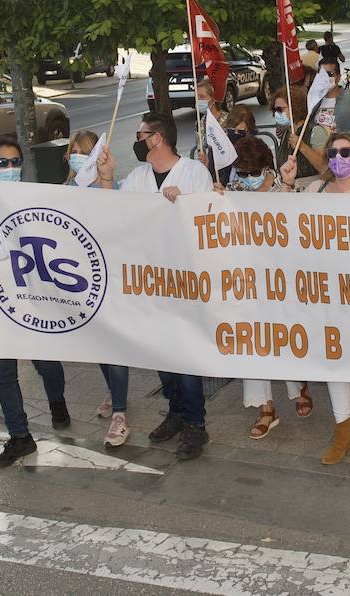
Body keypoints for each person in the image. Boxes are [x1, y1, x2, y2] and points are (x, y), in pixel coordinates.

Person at [96, 112, 214, 460]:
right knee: (162, 352)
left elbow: (209, 221)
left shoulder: (194, 173)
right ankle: (176, 412)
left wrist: (186, 206)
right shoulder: (138, 176)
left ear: (157, 137)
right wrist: (105, 179)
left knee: (185, 354)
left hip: (185, 279)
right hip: (150, 280)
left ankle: (196, 424)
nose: (137, 139)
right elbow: (116, 214)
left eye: (140, 134)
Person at [0, 137, 73, 467]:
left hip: (34, 301)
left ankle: (57, 401)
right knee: (4, 374)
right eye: (2, 163)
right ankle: (20, 437)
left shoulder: (33, 198)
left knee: (47, 362)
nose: (9, 168)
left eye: (14, 162)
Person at [279, 131, 350, 464]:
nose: (338, 158)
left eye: (345, 152)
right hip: (322, 294)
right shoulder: (314, 189)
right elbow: (279, 223)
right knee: (335, 358)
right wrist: (286, 185)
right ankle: (344, 431)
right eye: (332, 153)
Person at [218, 137, 313, 438]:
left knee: (285, 336)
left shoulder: (285, 187)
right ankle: (265, 407)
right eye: (240, 174)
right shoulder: (233, 193)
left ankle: (297, 388)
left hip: (283, 281)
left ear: (266, 166)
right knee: (254, 341)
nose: (246, 179)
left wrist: (286, 185)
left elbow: (302, 226)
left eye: (251, 172)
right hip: (248, 282)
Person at [63, 130, 131, 447]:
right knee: (99, 347)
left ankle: (120, 414)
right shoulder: (66, 189)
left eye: (84, 151)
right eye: (73, 150)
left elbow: (116, 220)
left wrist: (106, 179)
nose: (76, 155)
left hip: (109, 279)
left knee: (113, 347)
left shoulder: (109, 185)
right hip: (81, 281)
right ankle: (113, 392)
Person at [306, 58, 350, 150]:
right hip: (319, 159)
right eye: (322, 74)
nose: (325, 78)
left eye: (330, 74)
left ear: (338, 77)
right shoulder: (313, 101)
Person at [269, 85, 323, 178]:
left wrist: (302, 146)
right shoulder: (286, 132)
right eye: (275, 110)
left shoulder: (315, 131)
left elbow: (324, 166)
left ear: (295, 107)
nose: (276, 113)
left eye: (280, 109)